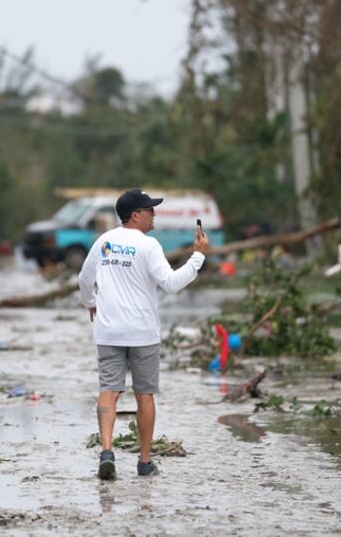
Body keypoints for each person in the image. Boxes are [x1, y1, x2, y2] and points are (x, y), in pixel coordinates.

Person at [78, 189, 209, 480]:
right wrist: (198, 257)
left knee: (108, 392)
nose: (154, 214)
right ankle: (144, 462)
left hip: (109, 331)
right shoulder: (149, 246)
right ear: (135, 215)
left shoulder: (103, 241)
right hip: (143, 334)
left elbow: (84, 280)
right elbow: (172, 284)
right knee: (144, 395)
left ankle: (107, 451)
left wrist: (91, 304)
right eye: (150, 210)